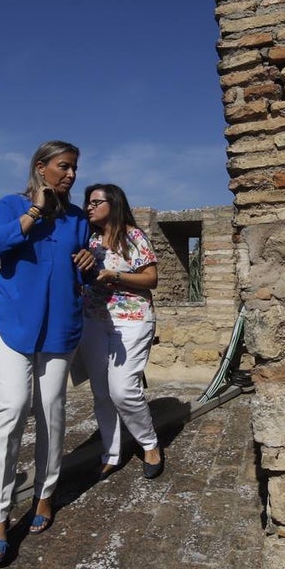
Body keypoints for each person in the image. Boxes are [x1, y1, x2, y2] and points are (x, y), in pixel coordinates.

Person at [0, 140, 95, 566]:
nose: (71, 175)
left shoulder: (79, 219)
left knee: (52, 408)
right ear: (41, 168)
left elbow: (85, 271)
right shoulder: (11, 204)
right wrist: (34, 213)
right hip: (10, 319)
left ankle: (45, 494)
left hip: (60, 323)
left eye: (75, 168)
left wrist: (88, 261)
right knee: (11, 406)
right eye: (64, 167)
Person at [77, 183, 164, 482]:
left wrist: (114, 275)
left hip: (132, 319)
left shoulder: (133, 236)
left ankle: (149, 444)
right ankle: (111, 453)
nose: (89, 207)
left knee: (123, 390)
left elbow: (151, 278)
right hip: (94, 320)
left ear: (112, 204)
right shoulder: (88, 238)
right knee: (101, 392)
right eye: (87, 202)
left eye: (95, 202)